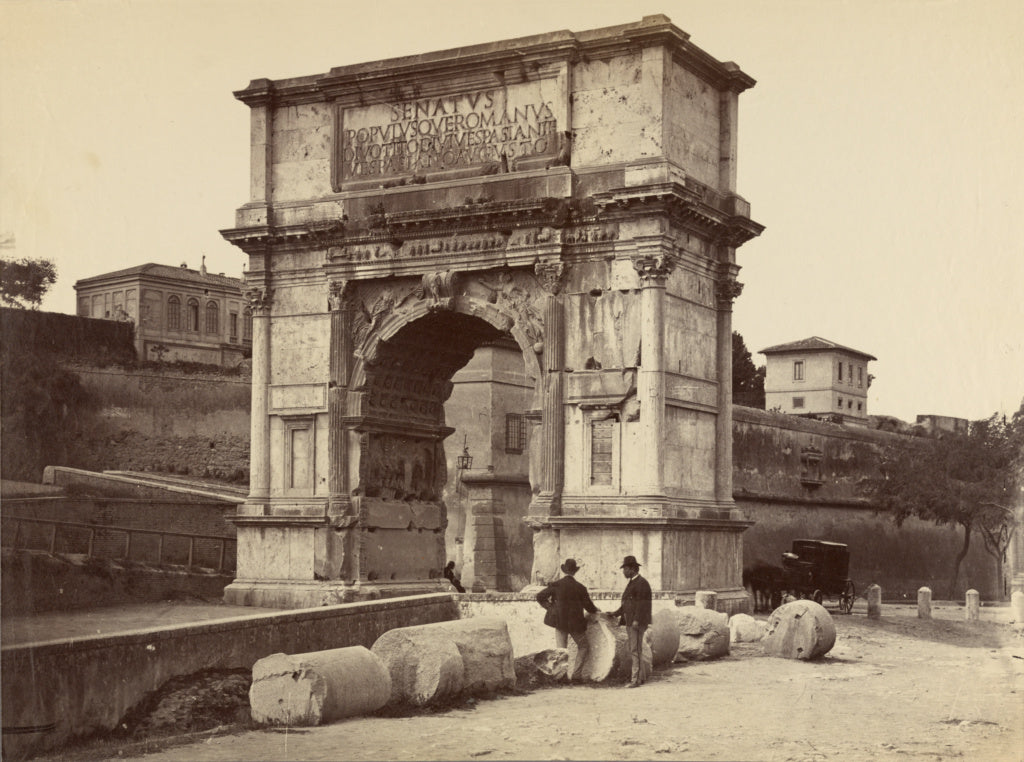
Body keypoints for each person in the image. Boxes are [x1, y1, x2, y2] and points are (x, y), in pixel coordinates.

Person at [535, 558, 600, 681]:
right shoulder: (580, 588)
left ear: (565, 570)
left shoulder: (556, 585)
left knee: (561, 651)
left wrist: (551, 609)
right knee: (584, 646)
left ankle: (561, 678)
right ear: (575, 572)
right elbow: (590, 607)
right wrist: (597, 610)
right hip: (576, 624)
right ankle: (576, 675)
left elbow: (540, 596)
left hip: (560, 623)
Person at [609, 554, 652, 687]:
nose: (623, 572)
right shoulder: (634, 582)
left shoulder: (641, 583)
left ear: (632, 569)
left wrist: (637, 621)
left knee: (635, 650)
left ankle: (635, 680)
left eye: (625, 569)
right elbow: (627, 605)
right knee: (636, 649)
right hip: (631, 622)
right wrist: (615, 613)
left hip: (635, 623)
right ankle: (641, 677)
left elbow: (643, 604)